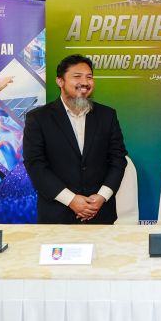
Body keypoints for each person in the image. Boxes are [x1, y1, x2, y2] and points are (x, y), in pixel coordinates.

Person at [23, 54, 128, 224]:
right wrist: (71, 200)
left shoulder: (107, 116)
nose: (85, 82)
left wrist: (102, 197)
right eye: (77, 76)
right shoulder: (38, 118)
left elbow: (118, 159)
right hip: (57, 216)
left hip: (100, 214)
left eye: (89, 77)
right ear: (60, 81)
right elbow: (35, 165)